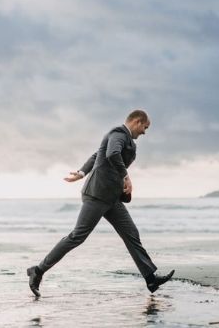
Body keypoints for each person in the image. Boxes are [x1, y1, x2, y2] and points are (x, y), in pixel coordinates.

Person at [26, 110, 174, 297]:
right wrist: (126, 177)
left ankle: (151, 279)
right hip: (96, 195)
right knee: (77, 236)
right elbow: (111, 154)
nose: (145, 132)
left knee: (131, 234)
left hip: (111, 198)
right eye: (145, 127)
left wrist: (81, 172)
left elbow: (98, 155)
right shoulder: (118, 134)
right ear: (137, 122)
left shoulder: (124, 139)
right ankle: (37, 271)